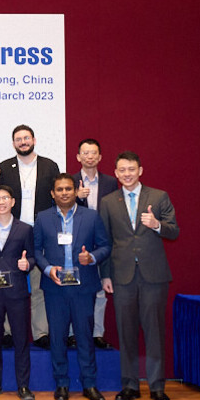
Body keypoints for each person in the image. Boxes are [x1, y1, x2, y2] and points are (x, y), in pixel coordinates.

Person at [100, 151, 179, 400]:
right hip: (122, 276)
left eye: (131, 169)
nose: (127, 174)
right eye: (122, 170)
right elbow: (105, 241)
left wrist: (156, 224)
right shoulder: (108, 201)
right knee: (126, 332)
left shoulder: (158, 196)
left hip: (153, 276)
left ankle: (157, 387)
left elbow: (174, 230)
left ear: (140, 170)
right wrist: (105, 276)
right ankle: (130, 385)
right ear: (116, 173)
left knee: (154, 331)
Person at [34, 174, 111, 400]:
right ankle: (62, 384)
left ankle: (89, 384)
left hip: (84, 287)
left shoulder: (91, 216)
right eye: (60, 189)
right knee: (57, 338)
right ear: (52, 193)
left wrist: (92, 257)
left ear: (76, 191)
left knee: (85, 337)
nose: (64, 193)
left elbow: (106, 246)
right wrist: (48, 269)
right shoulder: (43, 218)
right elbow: (37, 251)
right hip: (55, 287)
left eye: (68, 188)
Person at [0, 124, 60, 349]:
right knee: (9, 280)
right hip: (14, 231)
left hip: (41, 231)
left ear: (34, 140)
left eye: (26, 138)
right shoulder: (5, 168)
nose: (23, 142)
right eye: (18, 139)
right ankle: (8, 332)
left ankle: (40, 332)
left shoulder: (50, 165)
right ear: (13, 143)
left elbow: (57, 196)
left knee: (39, 283)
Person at [0, 185, 35, 400]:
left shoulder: (25, 229)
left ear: (12, 201)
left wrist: (26, 264)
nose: (1, 202)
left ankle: (23, 386)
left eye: (5, 198)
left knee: (21, 339)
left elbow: (33, 256)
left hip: (17, 291)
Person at [71, 138, 119, 349]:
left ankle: (97, 333)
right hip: (75, 242)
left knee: (100, 289)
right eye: (85, 153)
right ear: (78, 157)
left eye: (93, 153)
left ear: (99, 157)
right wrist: (76, 197)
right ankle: (73, 334)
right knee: (73, 289)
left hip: (102, 242)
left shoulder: (110, 182)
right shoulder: (70, 181)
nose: (89, 156)